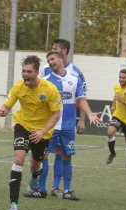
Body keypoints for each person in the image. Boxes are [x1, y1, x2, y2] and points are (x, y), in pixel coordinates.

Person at [24, 51, 100, 200]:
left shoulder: (74, 79)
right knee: (43, 156)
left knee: (67, 156)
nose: (50, 62)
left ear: (60, 60)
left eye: (52, 59)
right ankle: (40, 189)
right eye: (48, 60)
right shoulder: (45, 81)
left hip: (67, 126)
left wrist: (89, 114)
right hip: (50, 125)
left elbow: (81, 99)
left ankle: (67, 191)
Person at [0, 55, 62, 210]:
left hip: (42, 131)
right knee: (18, 159)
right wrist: (3, 111)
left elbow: (56, 115)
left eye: (29, 71)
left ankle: (35, 176)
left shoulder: (49, 89)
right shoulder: (18, 87)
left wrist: (42, 132)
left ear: (37, 72)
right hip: (22, 126)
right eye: (23, 71)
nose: (25, 74)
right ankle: (13, 203)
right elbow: (7, 105)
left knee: (35, 164)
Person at [38, 38, 89, 197]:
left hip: (67, 122)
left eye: (56, 49)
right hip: (50, 122)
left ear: (64, 52)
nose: (52, 51)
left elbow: (81, 97)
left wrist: (81, 119)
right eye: (52, 49)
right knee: (45, 153)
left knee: (63, 153)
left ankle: (57, 187)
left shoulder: (76, 72)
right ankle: (41, 187)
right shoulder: (46, 70)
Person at [106, 69, 126, 168]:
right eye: (120, 77)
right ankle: (112, 153)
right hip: (118, 115)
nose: (121, 79)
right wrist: (113, 106)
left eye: (124, 77)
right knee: (110, 132)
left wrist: (122, 100)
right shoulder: (116, 87)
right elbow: (116, 97)